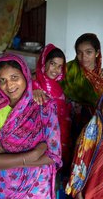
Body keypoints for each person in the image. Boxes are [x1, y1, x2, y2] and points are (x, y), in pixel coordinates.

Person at [0, 53, 62, 198]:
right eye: (3, 80)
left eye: (14, 77)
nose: (9, 85)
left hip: (37, 186)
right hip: (3, 186)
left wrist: (7, 155)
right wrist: (32, 155)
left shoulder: (44, 106)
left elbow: (53, 156)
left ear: (26, 76)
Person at [60, 33, 103, 143]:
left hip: (91, 122)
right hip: (67, 116)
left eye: (89, 52)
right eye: (79, 53)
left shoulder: (102, 78)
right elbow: (50, 78)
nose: (83, 58)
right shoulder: (68, 68)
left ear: (97, 53)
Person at [32, 44, 72, 175]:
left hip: (57, 136)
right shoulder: (33, 84)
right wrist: (31, 91)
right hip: (38, 139)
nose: (56, 69)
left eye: (60, 66)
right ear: (44, 62)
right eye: (53, 64)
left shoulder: (58, 87)